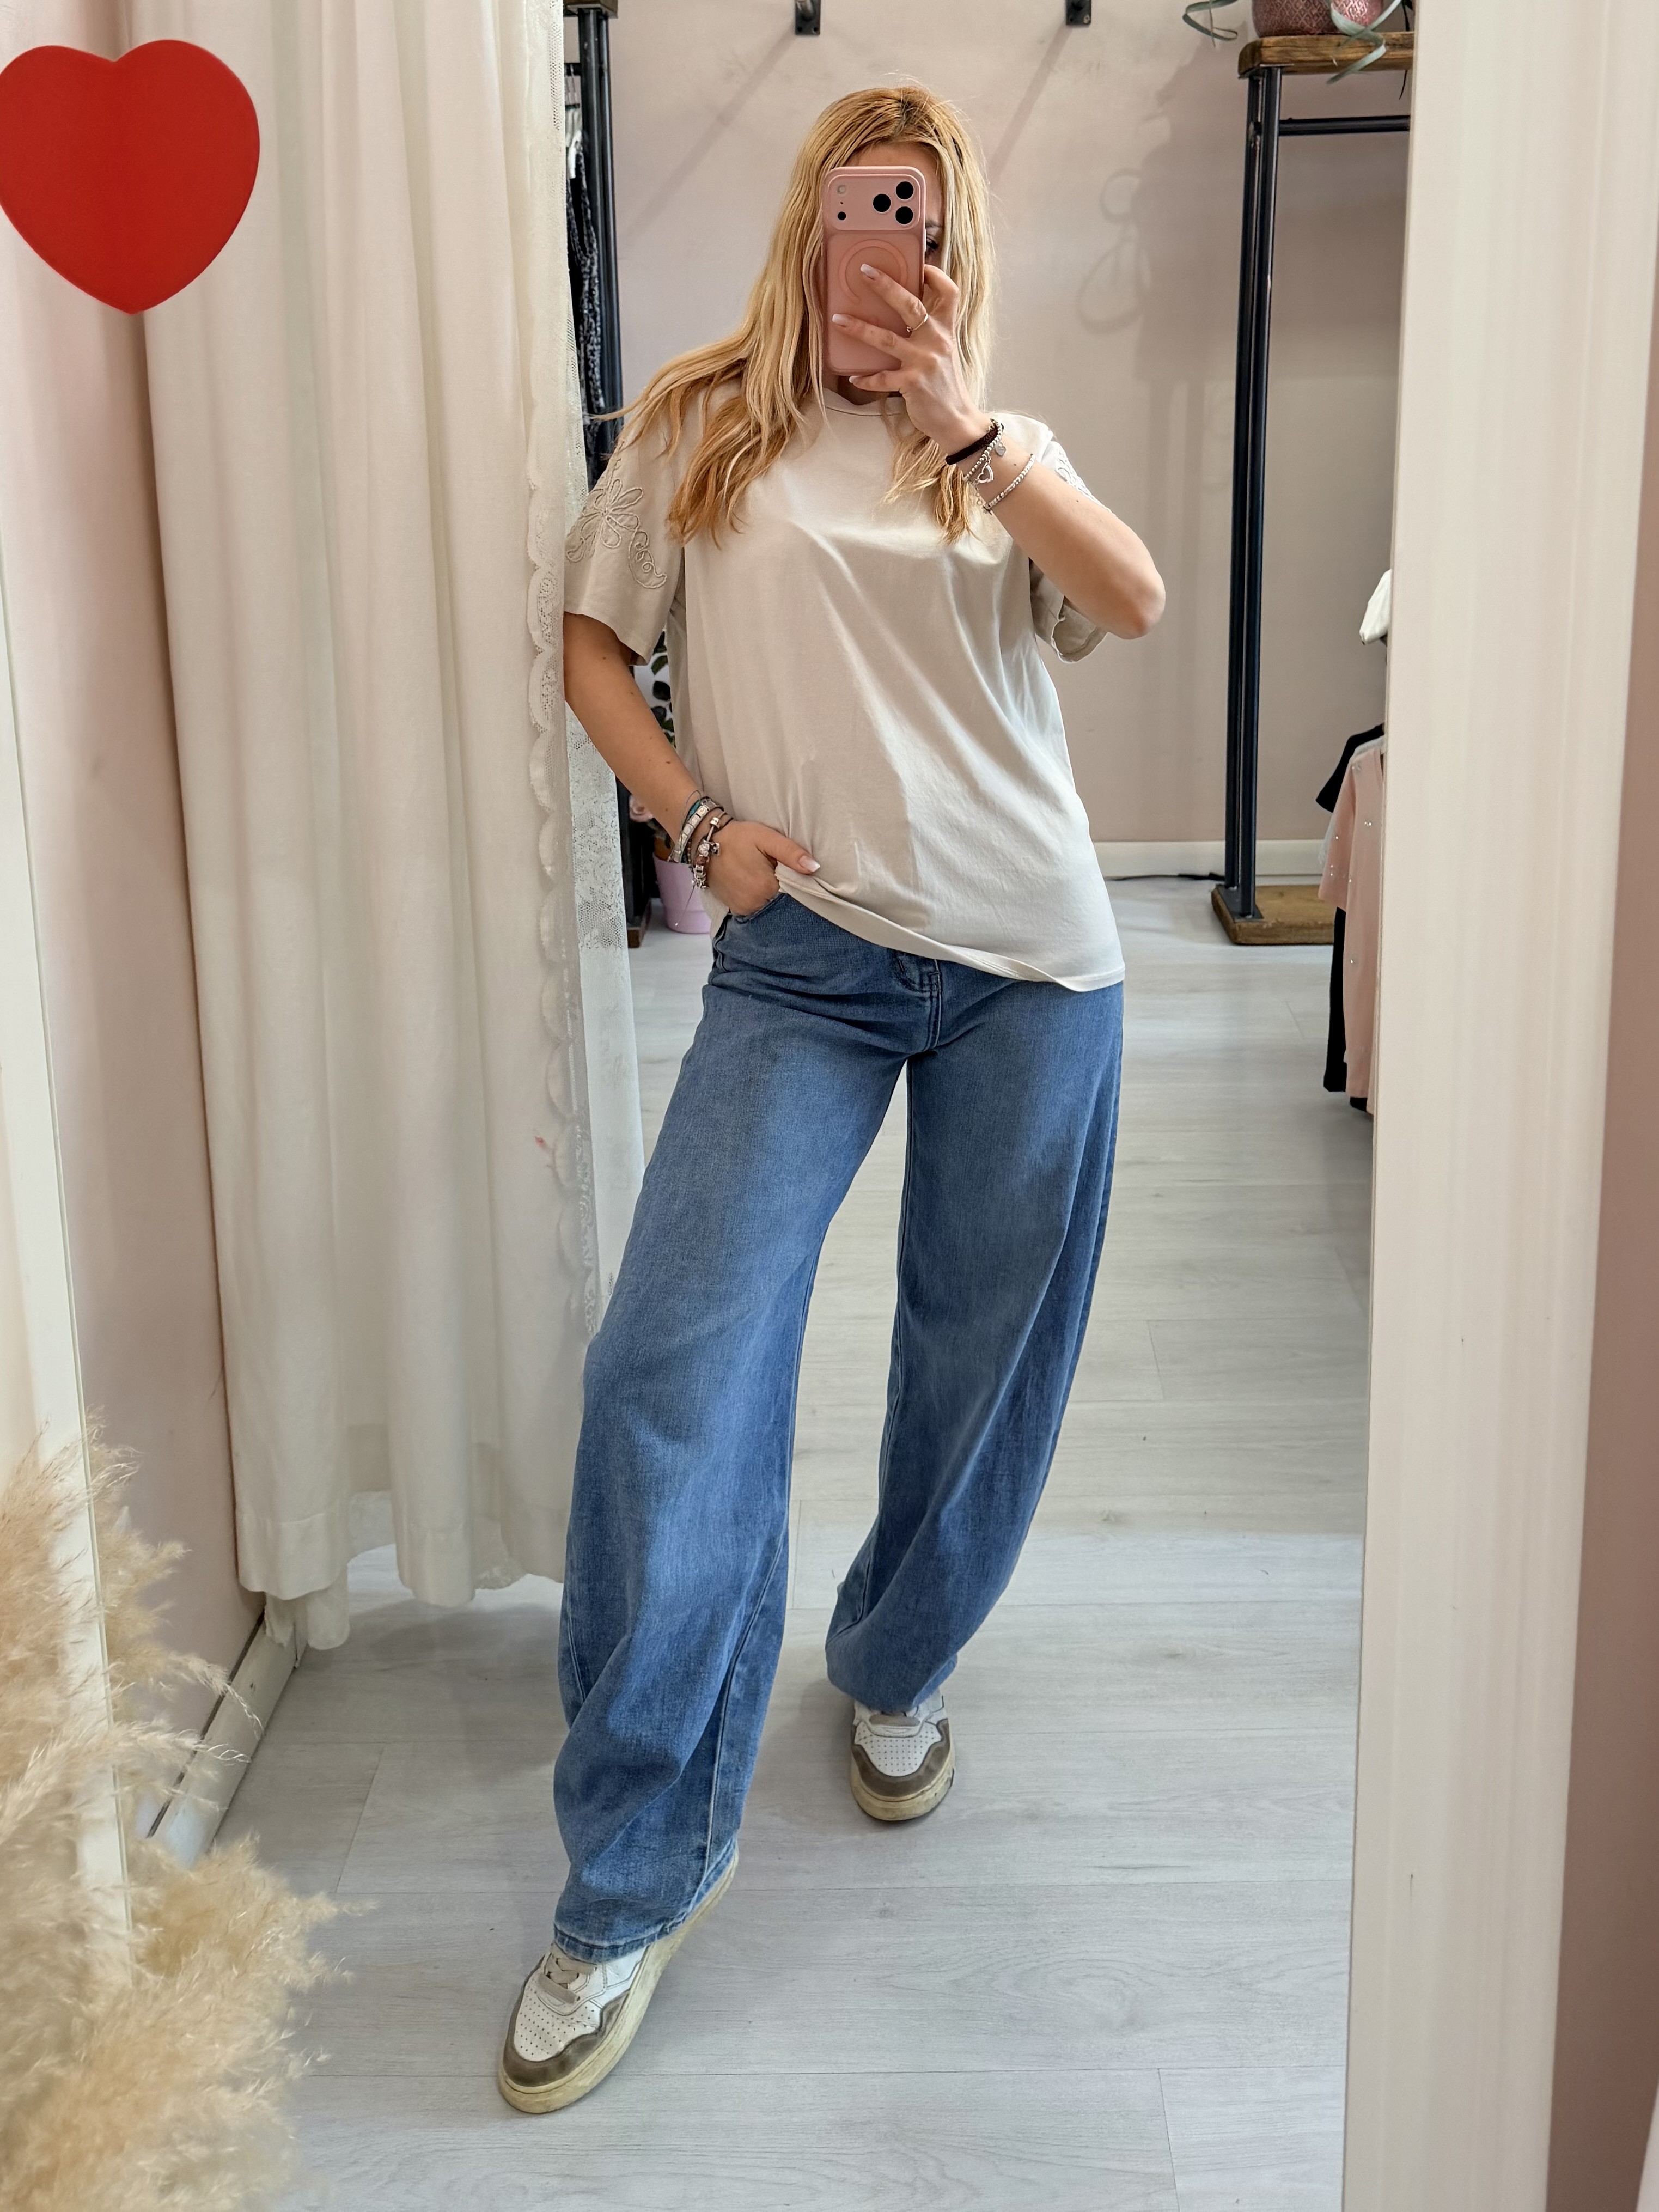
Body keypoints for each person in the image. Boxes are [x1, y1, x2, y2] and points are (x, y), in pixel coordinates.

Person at [499, 83, 1164, 2115]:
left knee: (980, 1356)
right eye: (865, 205)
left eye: (924, 212)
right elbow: (592, 648)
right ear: (812, 220)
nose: (890, 242)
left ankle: (892, 1660)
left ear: (955, 241)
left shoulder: (997, 442)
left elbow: (1133, 600)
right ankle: (629, 1870)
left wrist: (971, 432)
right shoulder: (701, 423)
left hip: (1033, 969)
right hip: (803, 962)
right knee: (672, 1368)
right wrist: (697, 822)